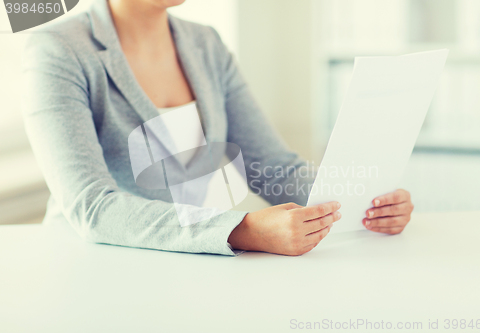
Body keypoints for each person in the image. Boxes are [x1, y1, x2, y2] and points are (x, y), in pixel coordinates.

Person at [21, 0, 414, 256]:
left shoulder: (205, 43)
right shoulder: (57, 49)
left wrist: (363, 201)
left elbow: (271, 166)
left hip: (200, 265)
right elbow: (93, 206)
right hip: (97, 264)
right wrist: (241, 229)